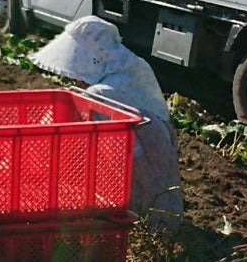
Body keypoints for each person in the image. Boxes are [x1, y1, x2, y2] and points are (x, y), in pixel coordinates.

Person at [30, 16, 184, 229]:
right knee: (160, 211)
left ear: (90, 59)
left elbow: (97, 157)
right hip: (159, 153)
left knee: (137, 218)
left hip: (136, 164)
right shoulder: (135, 67)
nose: (76, 80)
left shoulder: (99, 96)